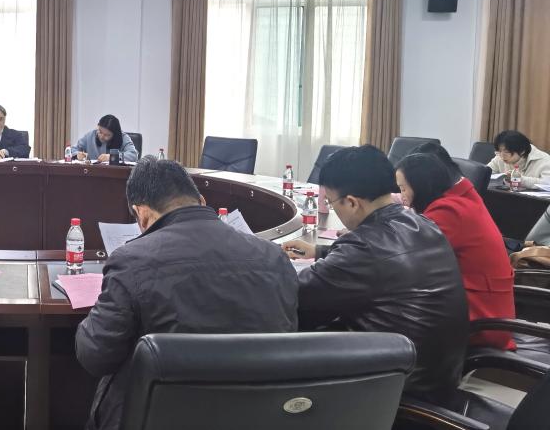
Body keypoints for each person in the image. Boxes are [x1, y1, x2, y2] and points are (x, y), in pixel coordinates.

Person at [76, 157, 297, 430]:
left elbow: (96, 355)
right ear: (201, 200)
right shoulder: (274, 257)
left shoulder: (130, 261)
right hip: (255, 415)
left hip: (158, 417)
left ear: (141, 214)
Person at [284, 145, 468, 406]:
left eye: (332, 203)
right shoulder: (421, 222)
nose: (333, 209)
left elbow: (294, 296)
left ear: (351, 202)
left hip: (396, 392)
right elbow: (381, 263)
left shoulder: (364, 248)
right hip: (436, 377)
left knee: (281, 336)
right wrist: (323, 252)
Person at [395, 152, 515, 350]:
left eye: (403, 189)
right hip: (486, 312)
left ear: (421, 186)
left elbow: (401, 255)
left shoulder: (449, 211)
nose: (402, 197)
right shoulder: (461, 199)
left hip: (480, 322)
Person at [74, 115, 138, 163]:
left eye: (107, 135)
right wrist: (77, 155)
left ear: (115, 134)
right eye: (100, 132)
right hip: (92, 173)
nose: (101, 137)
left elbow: (133, 155)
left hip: (115, 173)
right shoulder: (90, 135)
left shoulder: (123, 138)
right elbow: (72, 150)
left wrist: (112, 157)